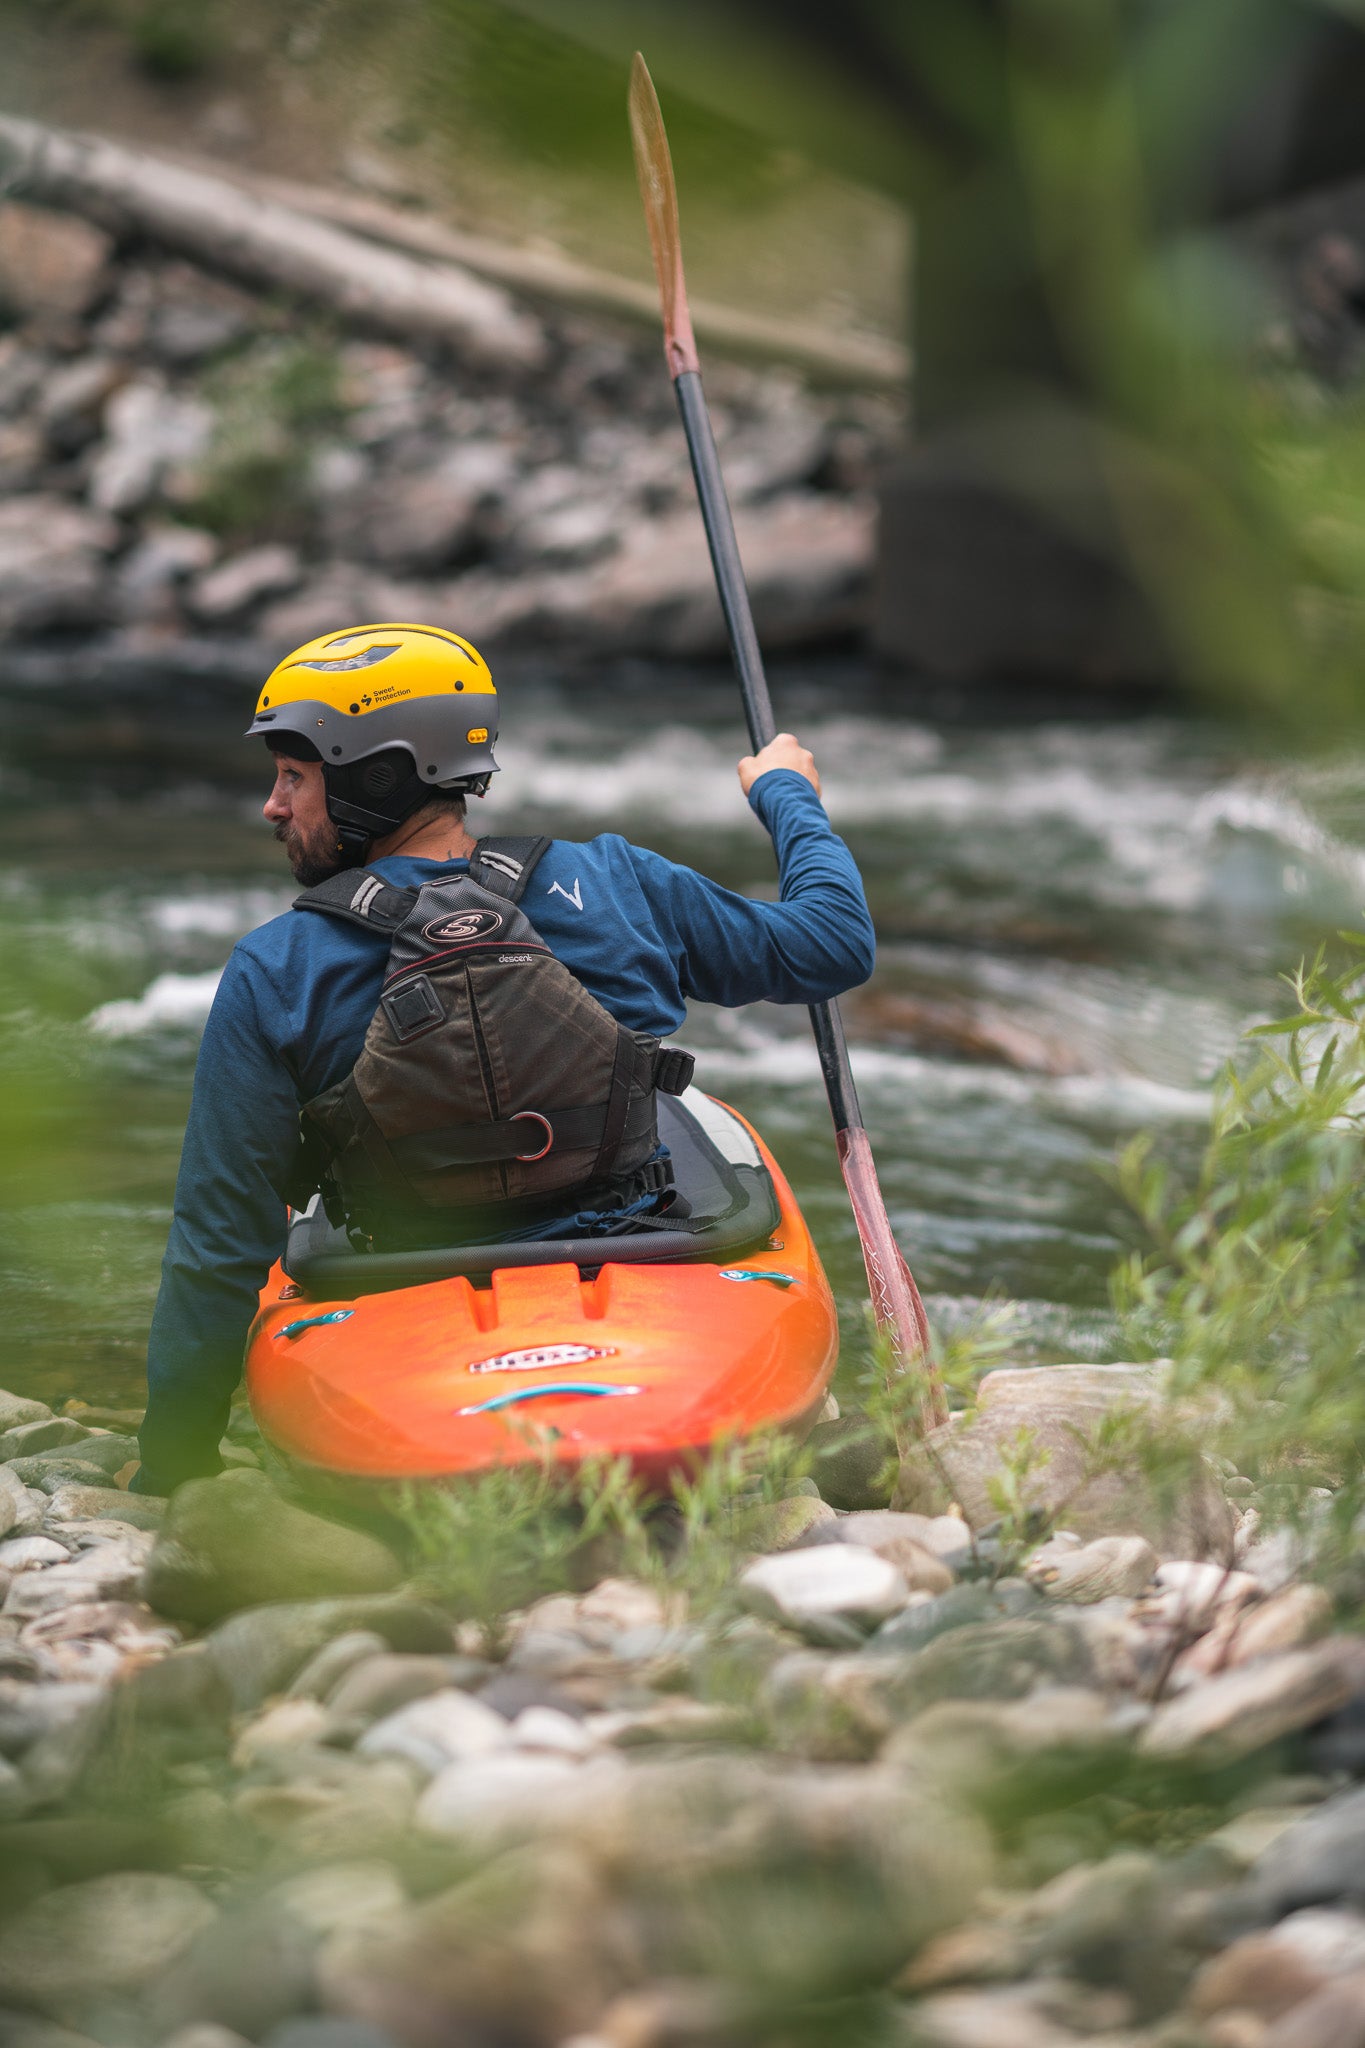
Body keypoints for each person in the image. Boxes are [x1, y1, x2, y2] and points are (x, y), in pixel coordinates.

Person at [135, 622, 876, 1494]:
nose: (274, 805)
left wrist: (171, 1472)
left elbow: (220, 1239)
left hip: (397, 1263)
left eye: (295, 776)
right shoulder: (614, 881)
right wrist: (787, 795)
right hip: (637, 1232)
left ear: (378, 776)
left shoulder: (275, 967)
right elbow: (832, 946)